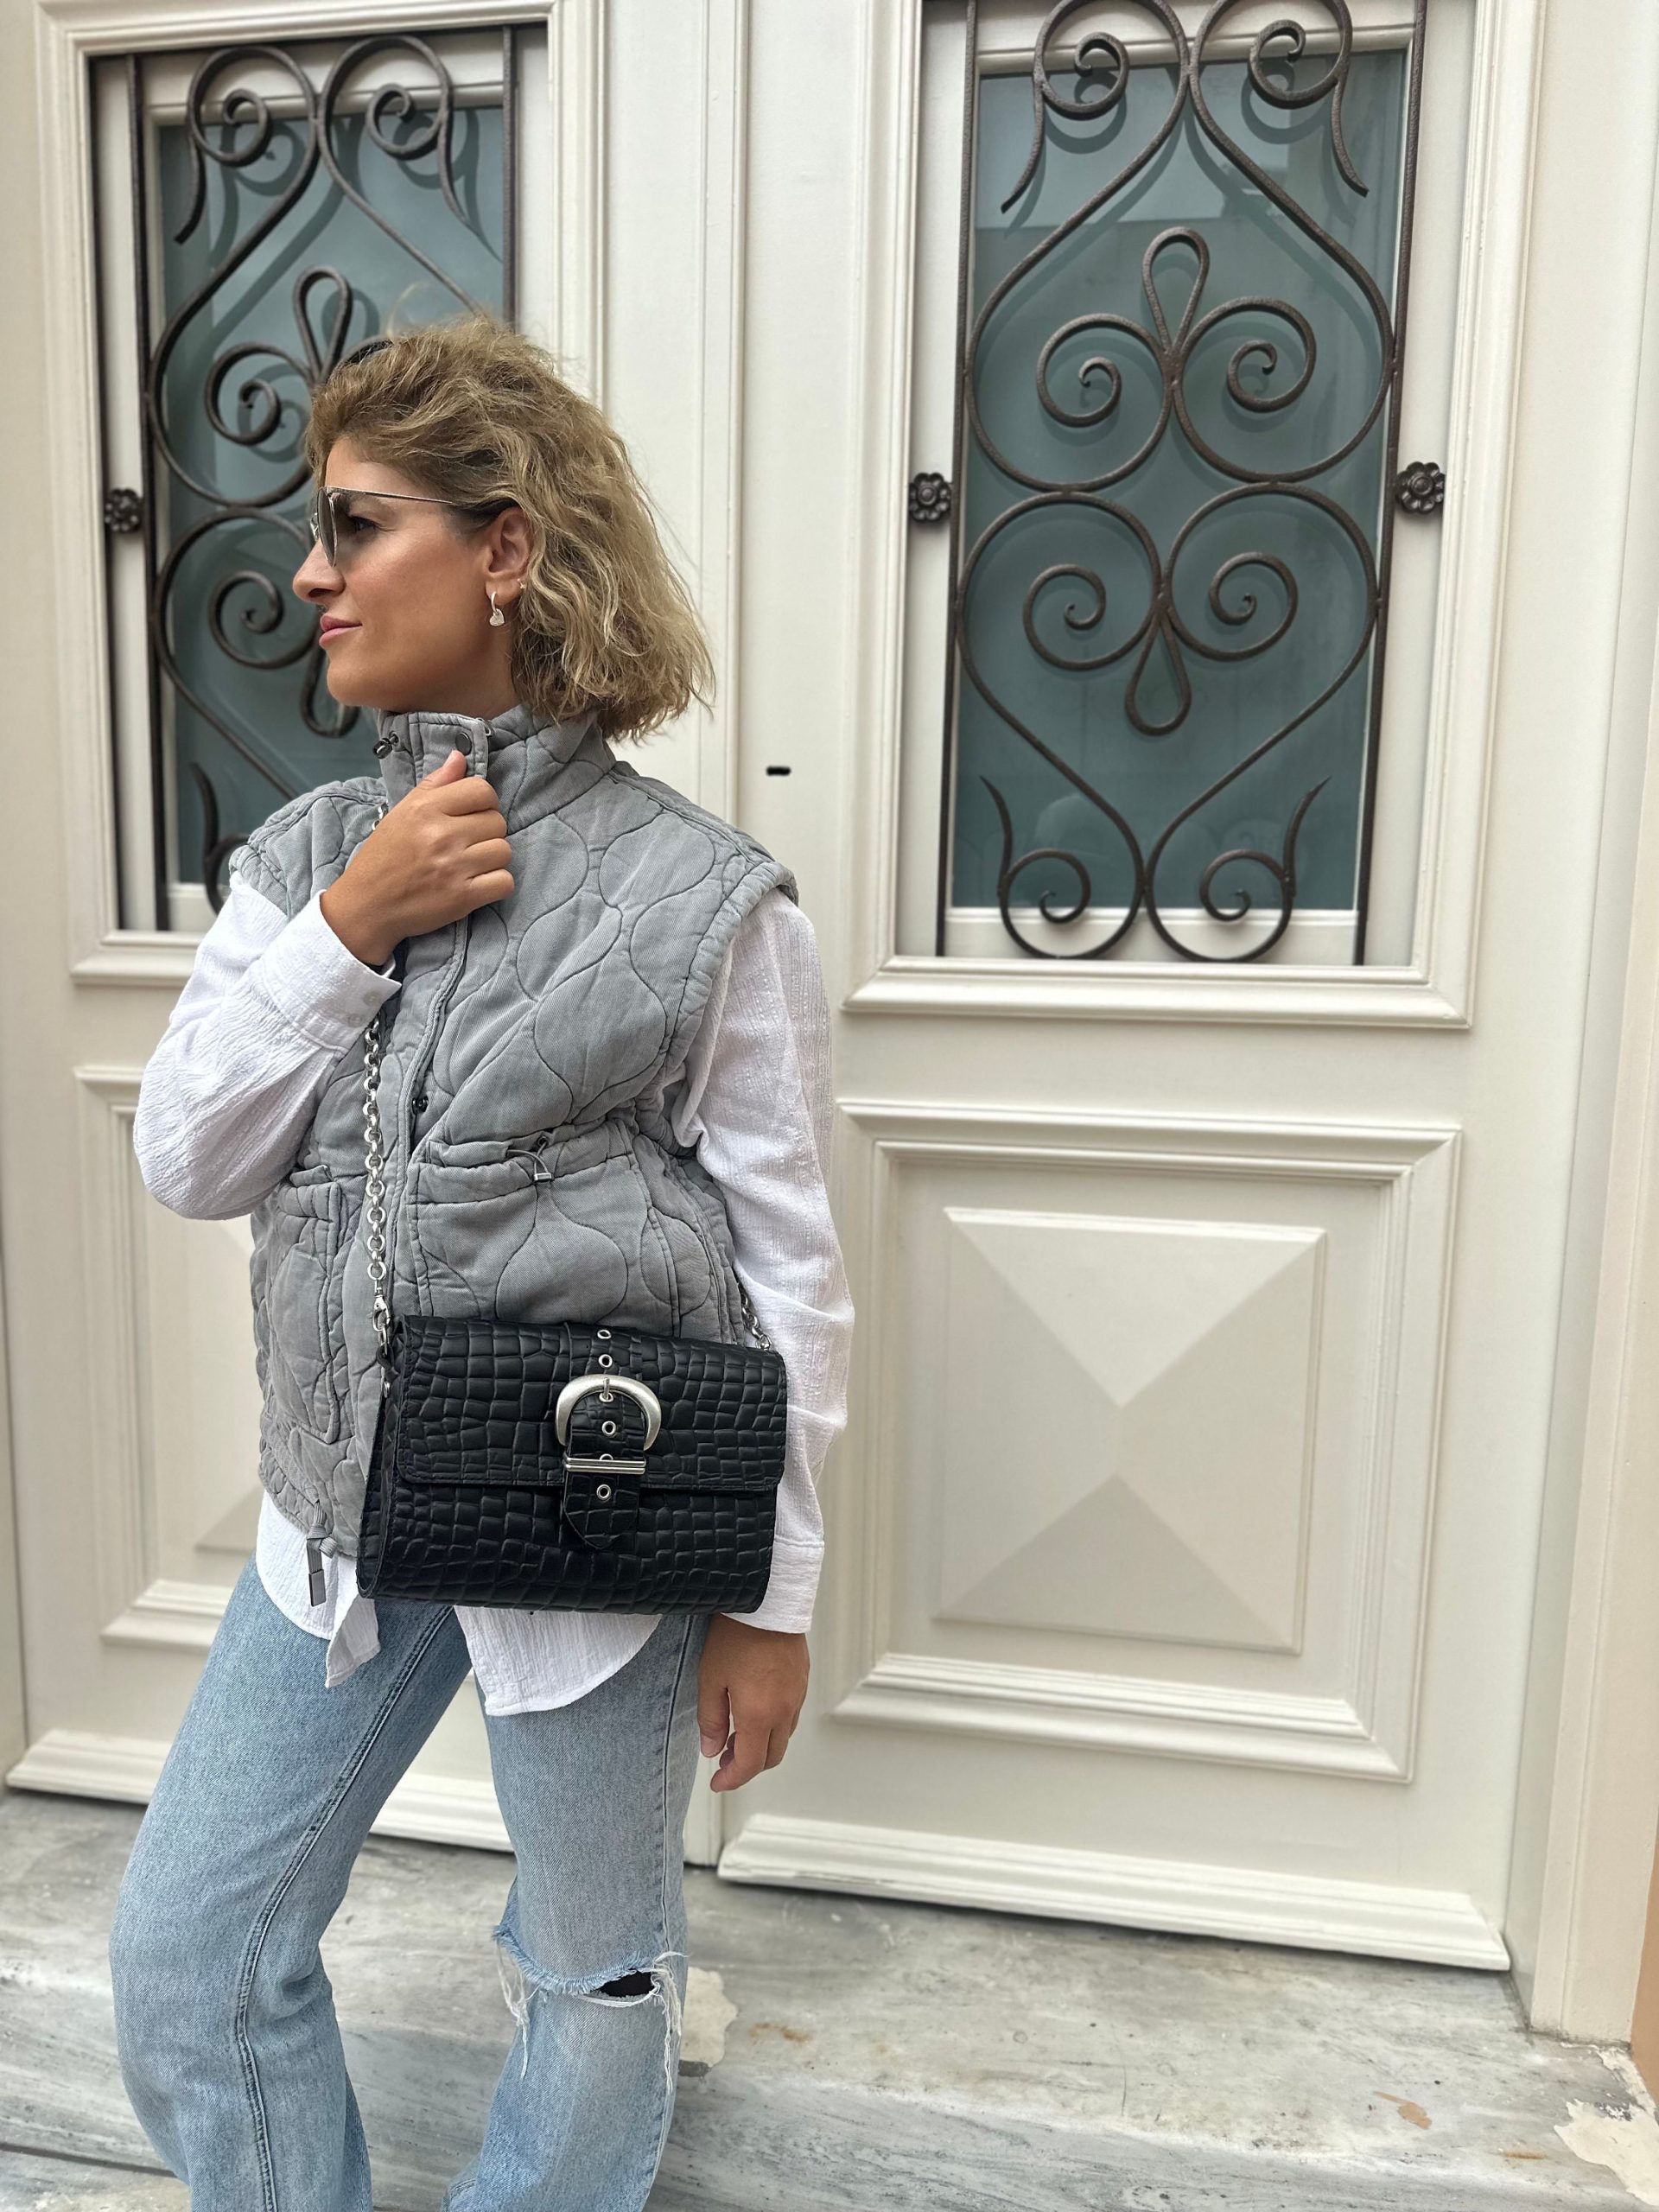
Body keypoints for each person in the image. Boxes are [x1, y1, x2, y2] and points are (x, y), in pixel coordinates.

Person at [107, 313, 854, 2212]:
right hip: (339, 1517)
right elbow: (189, 1155)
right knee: (191, 1954)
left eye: (357, 525)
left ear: (504, 548)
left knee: (592, 1974)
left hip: (593, 1524)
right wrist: (350, 929)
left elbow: (791, 1268)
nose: (310, 574)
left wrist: (772, 1596)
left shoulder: (708, 900)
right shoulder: (305, 861)